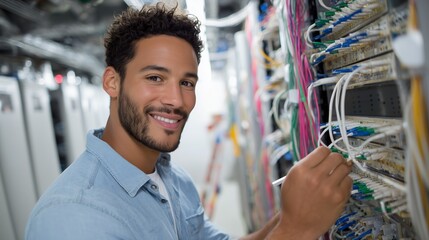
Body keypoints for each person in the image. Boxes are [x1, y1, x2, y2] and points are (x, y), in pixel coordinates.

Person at [25, 3, 352, 240]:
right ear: (112, 82)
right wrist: (298, 230)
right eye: (155, 77)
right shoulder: (74, 218)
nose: (176, 100)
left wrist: (292, 215)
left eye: (187, 82)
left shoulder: (171, 178)